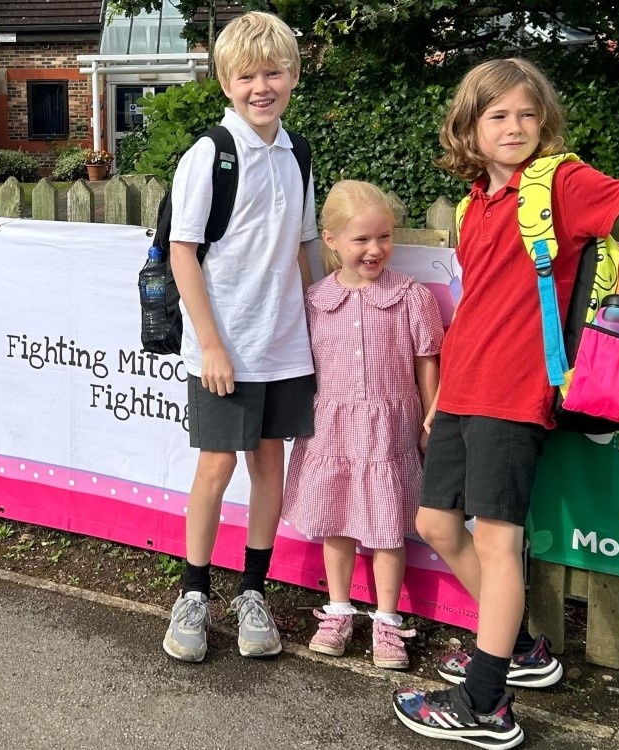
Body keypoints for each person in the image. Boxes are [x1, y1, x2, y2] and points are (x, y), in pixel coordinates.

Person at [393, 57, 619, 749]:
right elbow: (479, 304)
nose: (513, 126)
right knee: (435, 523)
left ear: (543, 121)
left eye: (526, 113)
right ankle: (517, 651)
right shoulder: (472, 204)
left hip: (516, 396)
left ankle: (486, 704)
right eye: (497, 115)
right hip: (464, 390)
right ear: (470, 127)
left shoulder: (562, 183)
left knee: (498, 543)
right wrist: (441, 398)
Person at [161, 10, 318, 662]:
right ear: (227, 82)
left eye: (273, 72)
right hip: (224, 346)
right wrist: (212, 344)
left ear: (293, 76)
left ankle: (252, 591)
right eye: (247, 75)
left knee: (267, 465)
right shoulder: (211, 154)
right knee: (218, 465)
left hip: (284, 345)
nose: (262, 86)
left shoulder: (298, 153)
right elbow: (181, 252)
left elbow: (306, 248)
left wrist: (318, 331)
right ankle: (194, 593)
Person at [281, 180, 442, 669]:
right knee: (337, 519)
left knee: (389, 525)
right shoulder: (315, 301)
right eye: (361, 240)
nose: (375, 250)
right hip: (331, 428)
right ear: (330, 240)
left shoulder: (411, 297)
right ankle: (338, 610)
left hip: (391, 430)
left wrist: (432, 415)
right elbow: (302, 365)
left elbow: (426, 361)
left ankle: (388, 620)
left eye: (384, 238)